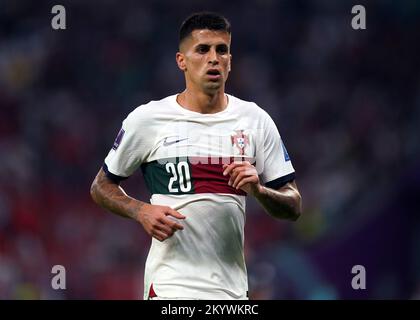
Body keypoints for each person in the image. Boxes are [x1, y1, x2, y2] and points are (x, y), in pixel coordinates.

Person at [90, 12, 302, 300]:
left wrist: (259, 190)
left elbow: (293, 206)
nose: (213, 58)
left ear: (230, 61)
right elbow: (101, 186)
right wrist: (140, 211)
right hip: (169, 289)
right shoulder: (148, 119)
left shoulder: (255, 120)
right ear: (182, 61)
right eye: (202, 50)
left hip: (231, 293)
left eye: (221, 50)